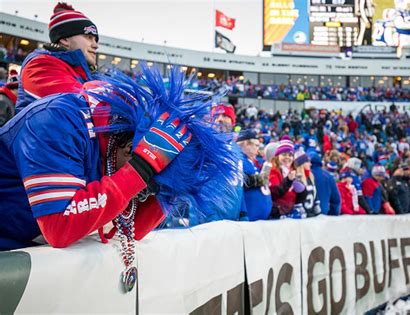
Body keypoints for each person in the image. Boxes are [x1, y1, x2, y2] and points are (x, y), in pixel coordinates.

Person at [0, 67, 235, 251]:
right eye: (149, 181)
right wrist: (140, 170)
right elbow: (59, 227)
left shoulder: (112, 147)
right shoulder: (58, 121)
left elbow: (129, 231)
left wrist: (166, 189)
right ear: (130, 149)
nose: (142, 193)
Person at [16, 3, 99, 111]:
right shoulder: (40, 65)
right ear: (64, 39)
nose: (95, 45)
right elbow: (85, 107)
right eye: (89, 37)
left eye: (95, 40)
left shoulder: (80, 71)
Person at [237, 129, 272, 221]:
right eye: (256, 145)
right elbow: (238, 182)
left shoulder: (250, 162)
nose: (258, 148)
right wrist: (257, 179)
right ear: (246, 144)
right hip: (250, 218)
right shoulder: (239, 160)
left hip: (259, 220)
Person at [269, 140, 306, 218]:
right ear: (277, 156)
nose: (287, 157)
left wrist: (302, 192)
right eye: (284, 154)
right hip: (278, 213)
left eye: (290, 155)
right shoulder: (273, 171)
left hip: (289, 211)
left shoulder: (292, 171)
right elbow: (274, 193)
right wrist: (288, 181)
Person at [308, 150, 341, 216]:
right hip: (323, 216)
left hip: (305, 218)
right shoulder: (328, 176)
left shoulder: (303, 174)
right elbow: (336, 200)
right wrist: (332, 215)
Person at [294, 150, 321, 217]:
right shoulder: (297, 179)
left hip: (311, 215)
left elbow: (314, 194)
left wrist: (316, 204)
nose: (310, 164)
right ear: (302, 164)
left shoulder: (310, 177)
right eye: (308, 162)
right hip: (302, 218)